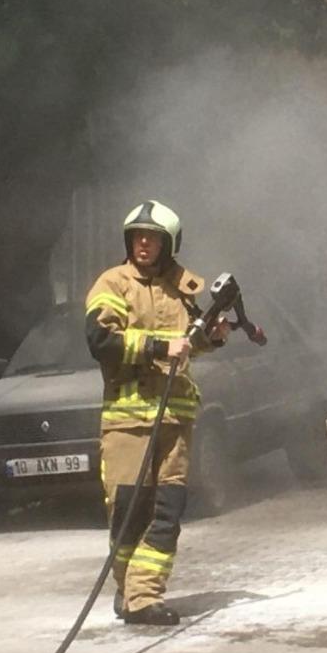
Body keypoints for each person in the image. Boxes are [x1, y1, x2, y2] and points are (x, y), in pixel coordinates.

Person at [84, 200, 230, 626]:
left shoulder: (181, 290)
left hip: (175, 423)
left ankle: (143, 596)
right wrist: (157, 346)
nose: (144, 244)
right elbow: (100, 340)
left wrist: (211, 338)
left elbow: (188, 344)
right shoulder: (113, 283)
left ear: (170, 244)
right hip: (128, 425)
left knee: (167, 513)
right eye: (137, 236)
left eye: (153, 237)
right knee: (130, 514)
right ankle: (129, 590)